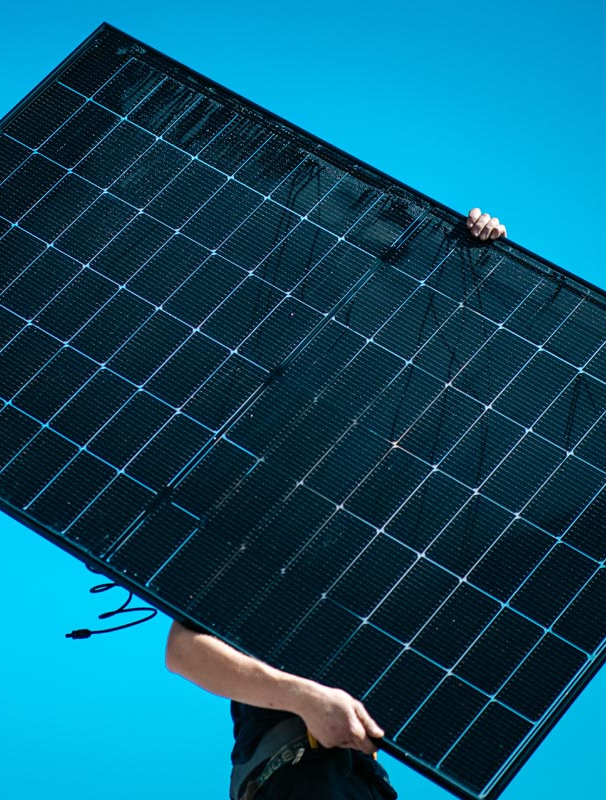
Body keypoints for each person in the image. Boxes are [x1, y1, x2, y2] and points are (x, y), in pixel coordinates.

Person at [164, 208, 507, 800]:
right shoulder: (261, 535)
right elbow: (184, 653)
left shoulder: (410, 567)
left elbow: (473, 379)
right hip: (293, 772)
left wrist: (474, 259)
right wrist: (307, 700)